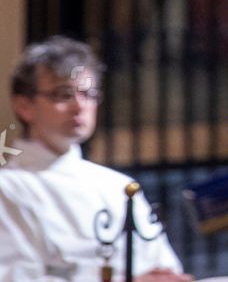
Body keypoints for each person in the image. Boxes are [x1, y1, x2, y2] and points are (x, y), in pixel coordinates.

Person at [0, 36, 192, 281]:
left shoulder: (118, 186)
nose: (79, 106)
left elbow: (164, 268)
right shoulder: (8, 188)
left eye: (88, 93)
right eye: (63, 94)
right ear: (24, 105)